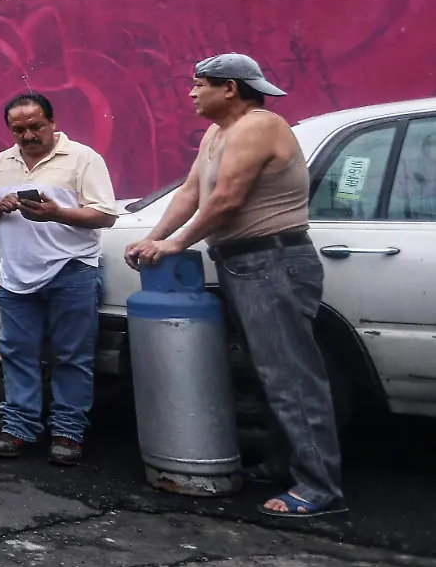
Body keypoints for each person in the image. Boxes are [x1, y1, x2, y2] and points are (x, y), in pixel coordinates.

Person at [126, 54, 344, 519]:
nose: (190, 93)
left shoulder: (258, 126)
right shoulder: (218, 132)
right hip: (242, 263)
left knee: (291, 377)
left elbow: (227, 198)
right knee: (267, 375)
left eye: (198, 84)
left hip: (274, 261)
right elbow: (191, 192)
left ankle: (319, 485)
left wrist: (177, 243)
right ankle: (284, 465)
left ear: (229, 88)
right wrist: (155, 237)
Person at [0, 93, 122, 467]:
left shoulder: (83, 158)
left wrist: (58, 213)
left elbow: (104, 215)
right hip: (16, 278)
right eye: (18, 129)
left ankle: (68, 432)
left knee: (72, 357)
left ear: (52, 122)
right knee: (17, 354)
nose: (28, 135)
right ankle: (19, 428)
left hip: (72, 271)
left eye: (36, 126)